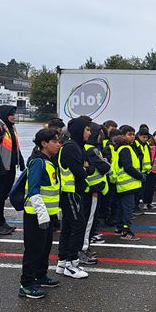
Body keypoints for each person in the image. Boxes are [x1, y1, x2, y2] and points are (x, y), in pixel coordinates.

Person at [19, 129, 63, 299]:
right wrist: (42, 213)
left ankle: (41, 275)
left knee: (44, 248)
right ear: (44, 143)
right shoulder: (38, 162)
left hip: (48, 214)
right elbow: (33, 190)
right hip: (36, 214)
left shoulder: (49, 161)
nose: (58, 144)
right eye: (55, 141)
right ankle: (27, 284)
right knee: (33, 249)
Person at [55, 117, 91, 279]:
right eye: (87, 129)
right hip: (70, 192)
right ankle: (71, 263)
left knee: (69, 226)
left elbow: (84, 169)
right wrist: (85, 169)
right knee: (78, 225)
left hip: (73, 192)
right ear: (79, 130)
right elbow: (81, 172)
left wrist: (84, 169)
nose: (89, 133)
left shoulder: (76, 146)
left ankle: (62, 262)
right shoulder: (71, 147)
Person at [0, 105, 25, 235]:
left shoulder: (11, 128)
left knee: (3, 196)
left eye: (14, 114)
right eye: (11, 114)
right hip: (1, 169)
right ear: (5, 114)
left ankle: (1, 222)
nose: (14, 116)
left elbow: (15, 147)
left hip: (10, 167)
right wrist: (1, 167)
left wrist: (21, 161)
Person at [82, 122, 111, 260]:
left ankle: (84, 246)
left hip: (88, 188)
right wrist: (107, 164)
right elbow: (105, 166)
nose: (101, 137)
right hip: (91, 189)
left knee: (87, 221)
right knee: (88, 221)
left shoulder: (84, 147)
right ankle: (84, 248)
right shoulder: (92, 149)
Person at [113, 125, 145, 240]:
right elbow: (128, 167)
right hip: (127, 185)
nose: (132, 137)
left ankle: (119, 228)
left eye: (133, 134)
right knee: (128, 209)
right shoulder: (125, 149)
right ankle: (126, 232)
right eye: (129, 134)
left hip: (123, 185)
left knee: (122, 208)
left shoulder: (121, 148)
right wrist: (140, 176)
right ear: (123, 136)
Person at [133, 126, 153, 215]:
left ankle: (136, 206)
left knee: (141, 191)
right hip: (139, 171)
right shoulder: (136, 144)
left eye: (147, 137)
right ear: (139, 136)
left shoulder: (146, 144)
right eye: (144, 137)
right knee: (137, 191)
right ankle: (134, 207)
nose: (146, 139)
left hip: (145, 171)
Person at [143, 130, 156, 210]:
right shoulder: (149, 146)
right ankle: (145, 203)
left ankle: (149, 202)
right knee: (147, 187)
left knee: (152, 187)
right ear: (153, 136)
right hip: (149, 169)